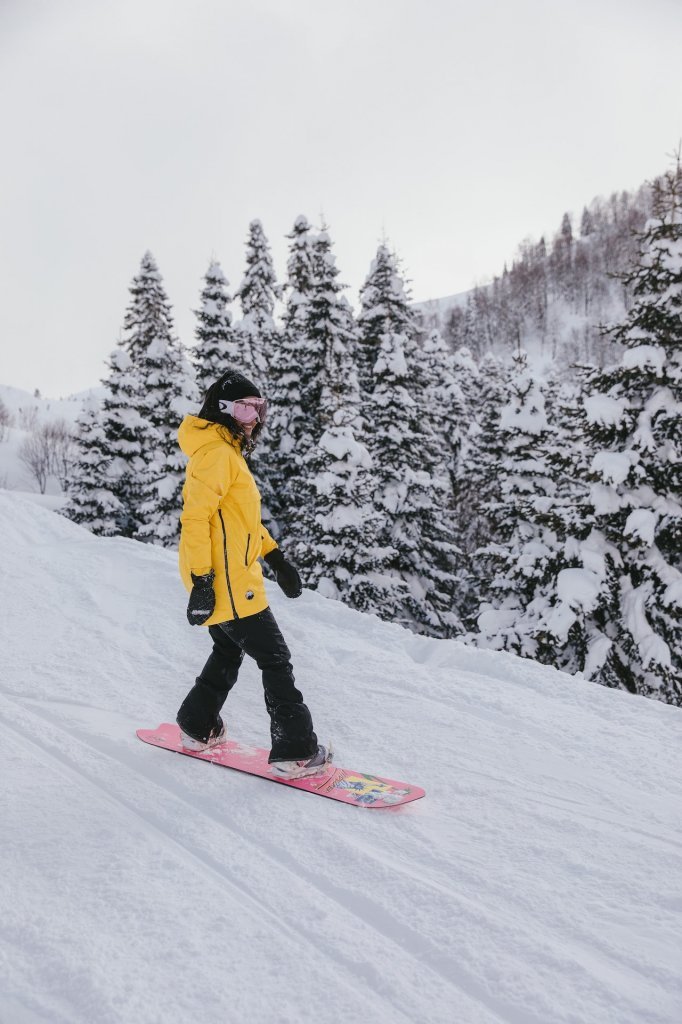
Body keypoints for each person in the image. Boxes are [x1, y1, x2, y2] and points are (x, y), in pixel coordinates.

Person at [175, 369, 329, 780]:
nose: (254, 415)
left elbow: (241, 522)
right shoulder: (217, 455)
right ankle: (295, 751)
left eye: (258, 406)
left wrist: (275, 558)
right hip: (227, 585)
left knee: (227, 651)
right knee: (275, 659)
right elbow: (195, 519)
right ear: (222, 408)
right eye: (245, 406)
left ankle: (197, 725)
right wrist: (203, 581)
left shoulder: (227, 452)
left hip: (230, 581)